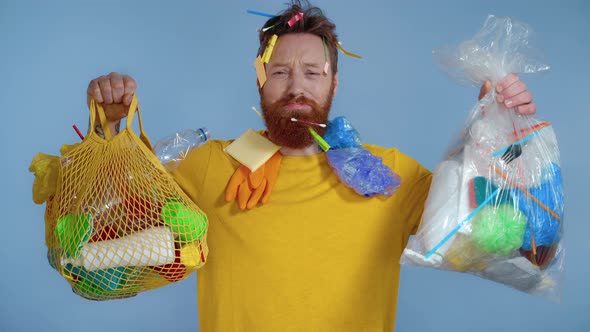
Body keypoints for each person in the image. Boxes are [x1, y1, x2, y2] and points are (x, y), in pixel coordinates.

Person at [85, 2, 537, 331]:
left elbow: (499, 240)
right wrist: (108, 130)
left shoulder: (389, 173)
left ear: (334, 83)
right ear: (260, 80)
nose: (295, 87)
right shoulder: (208, 166)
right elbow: (104, 219)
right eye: (280, 72)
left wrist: (498, 134)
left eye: (313, 73)